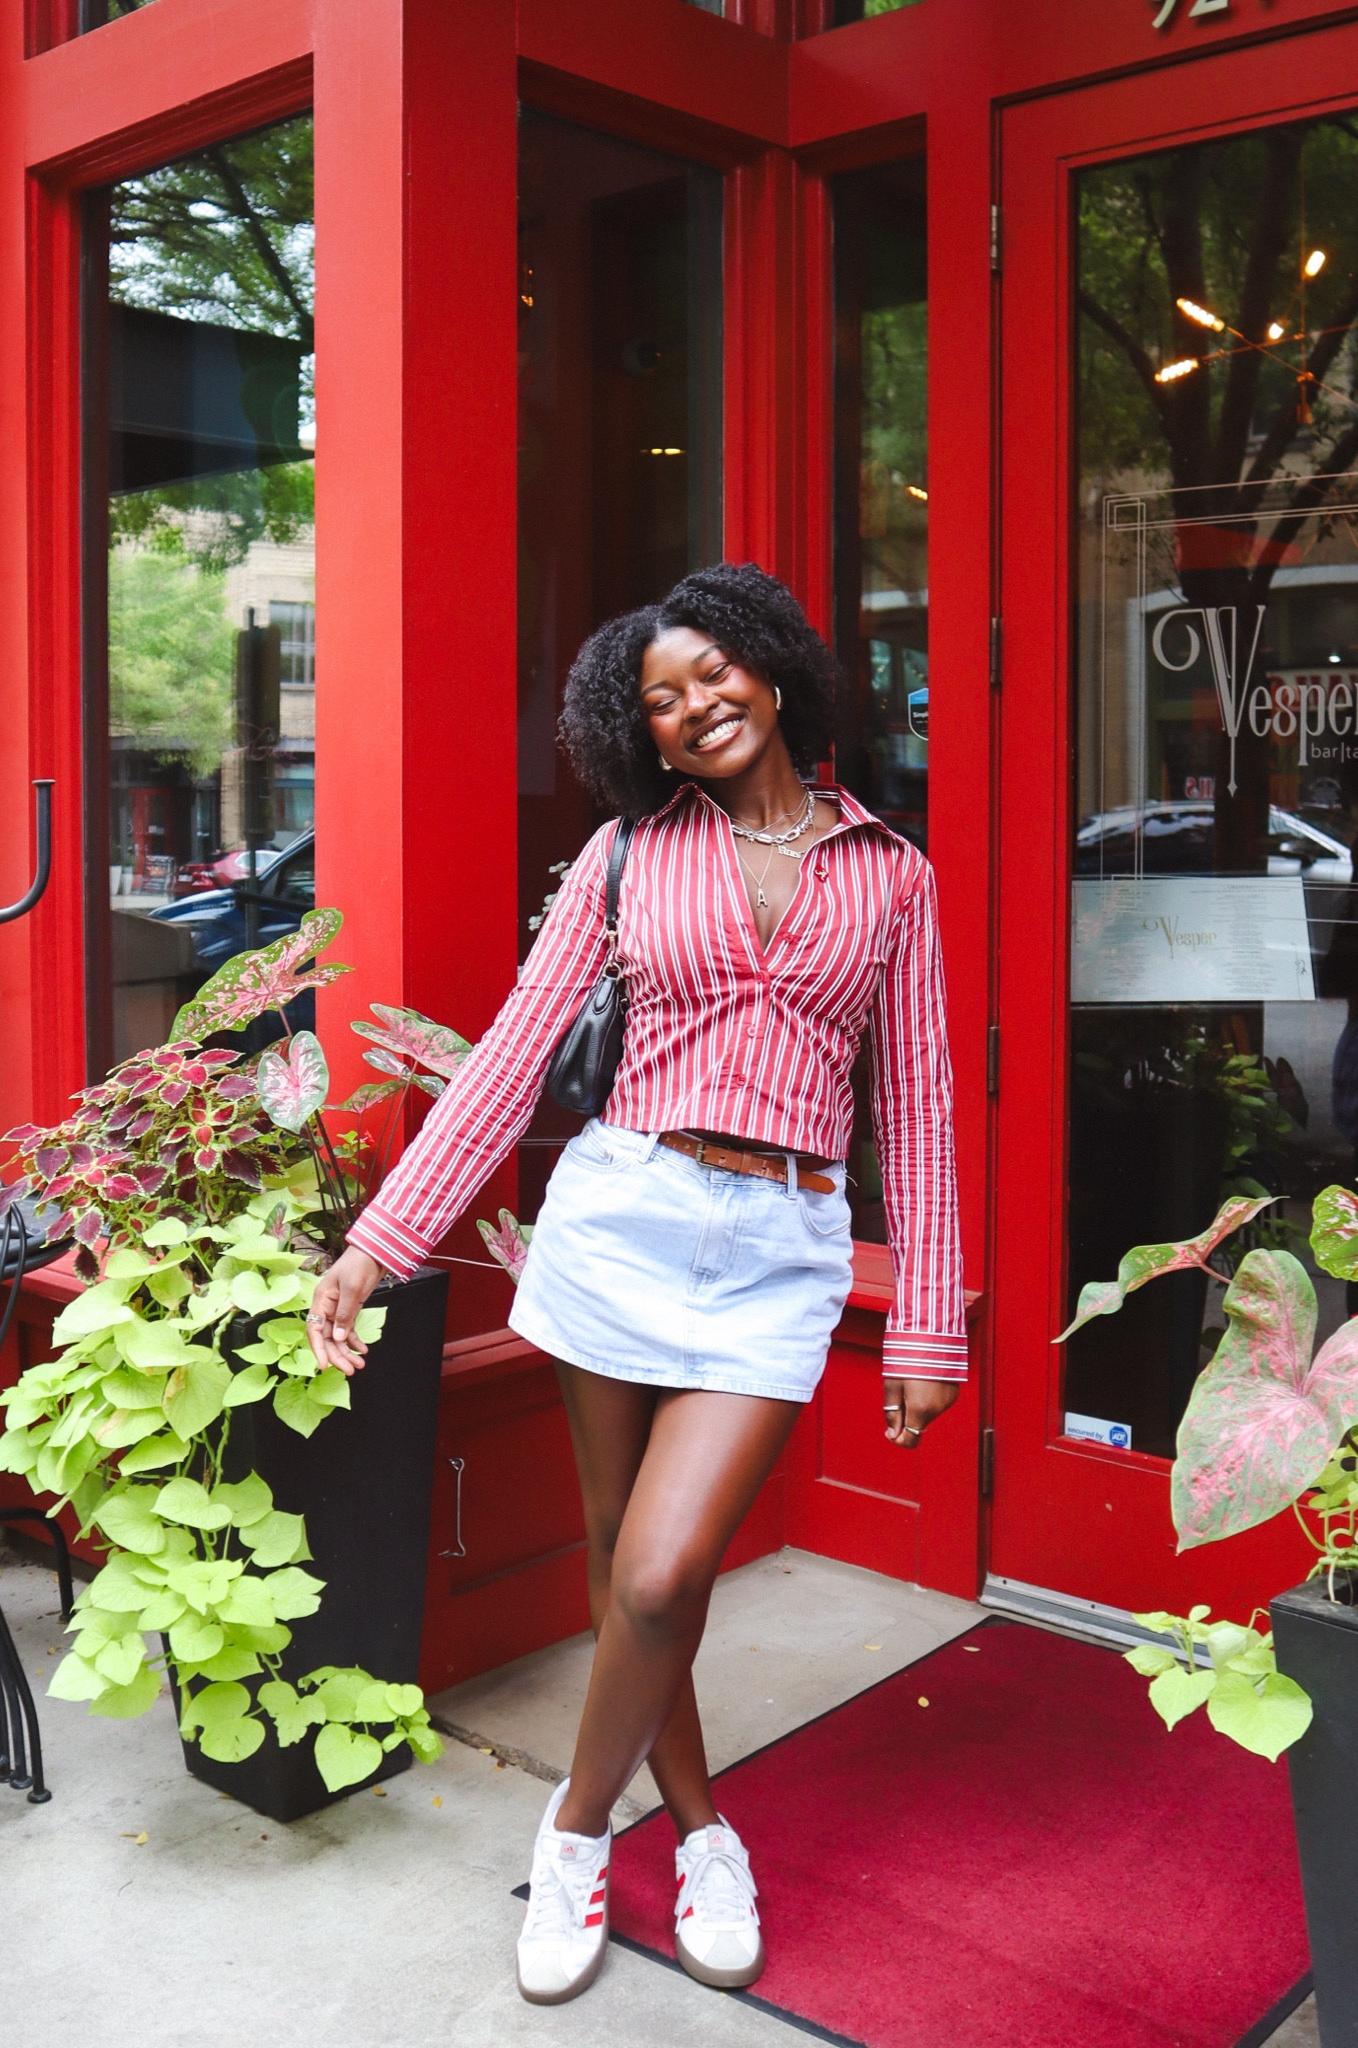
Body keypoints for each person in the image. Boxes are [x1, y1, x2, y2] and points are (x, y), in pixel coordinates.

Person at [305, 561, 966, 2006]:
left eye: (713, 673)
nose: (694, 707)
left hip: (782, 1247)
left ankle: (574, 1831)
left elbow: (916, 1108)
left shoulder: (891, 875)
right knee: (630, 1575)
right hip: (622, 1218)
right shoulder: (623, 856)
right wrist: (382, 1245)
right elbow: (511, 1060)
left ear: (774, 672)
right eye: (660, 702)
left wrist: (925, 1323)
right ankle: (707, 1830)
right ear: (643, 736)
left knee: (662, 1574)